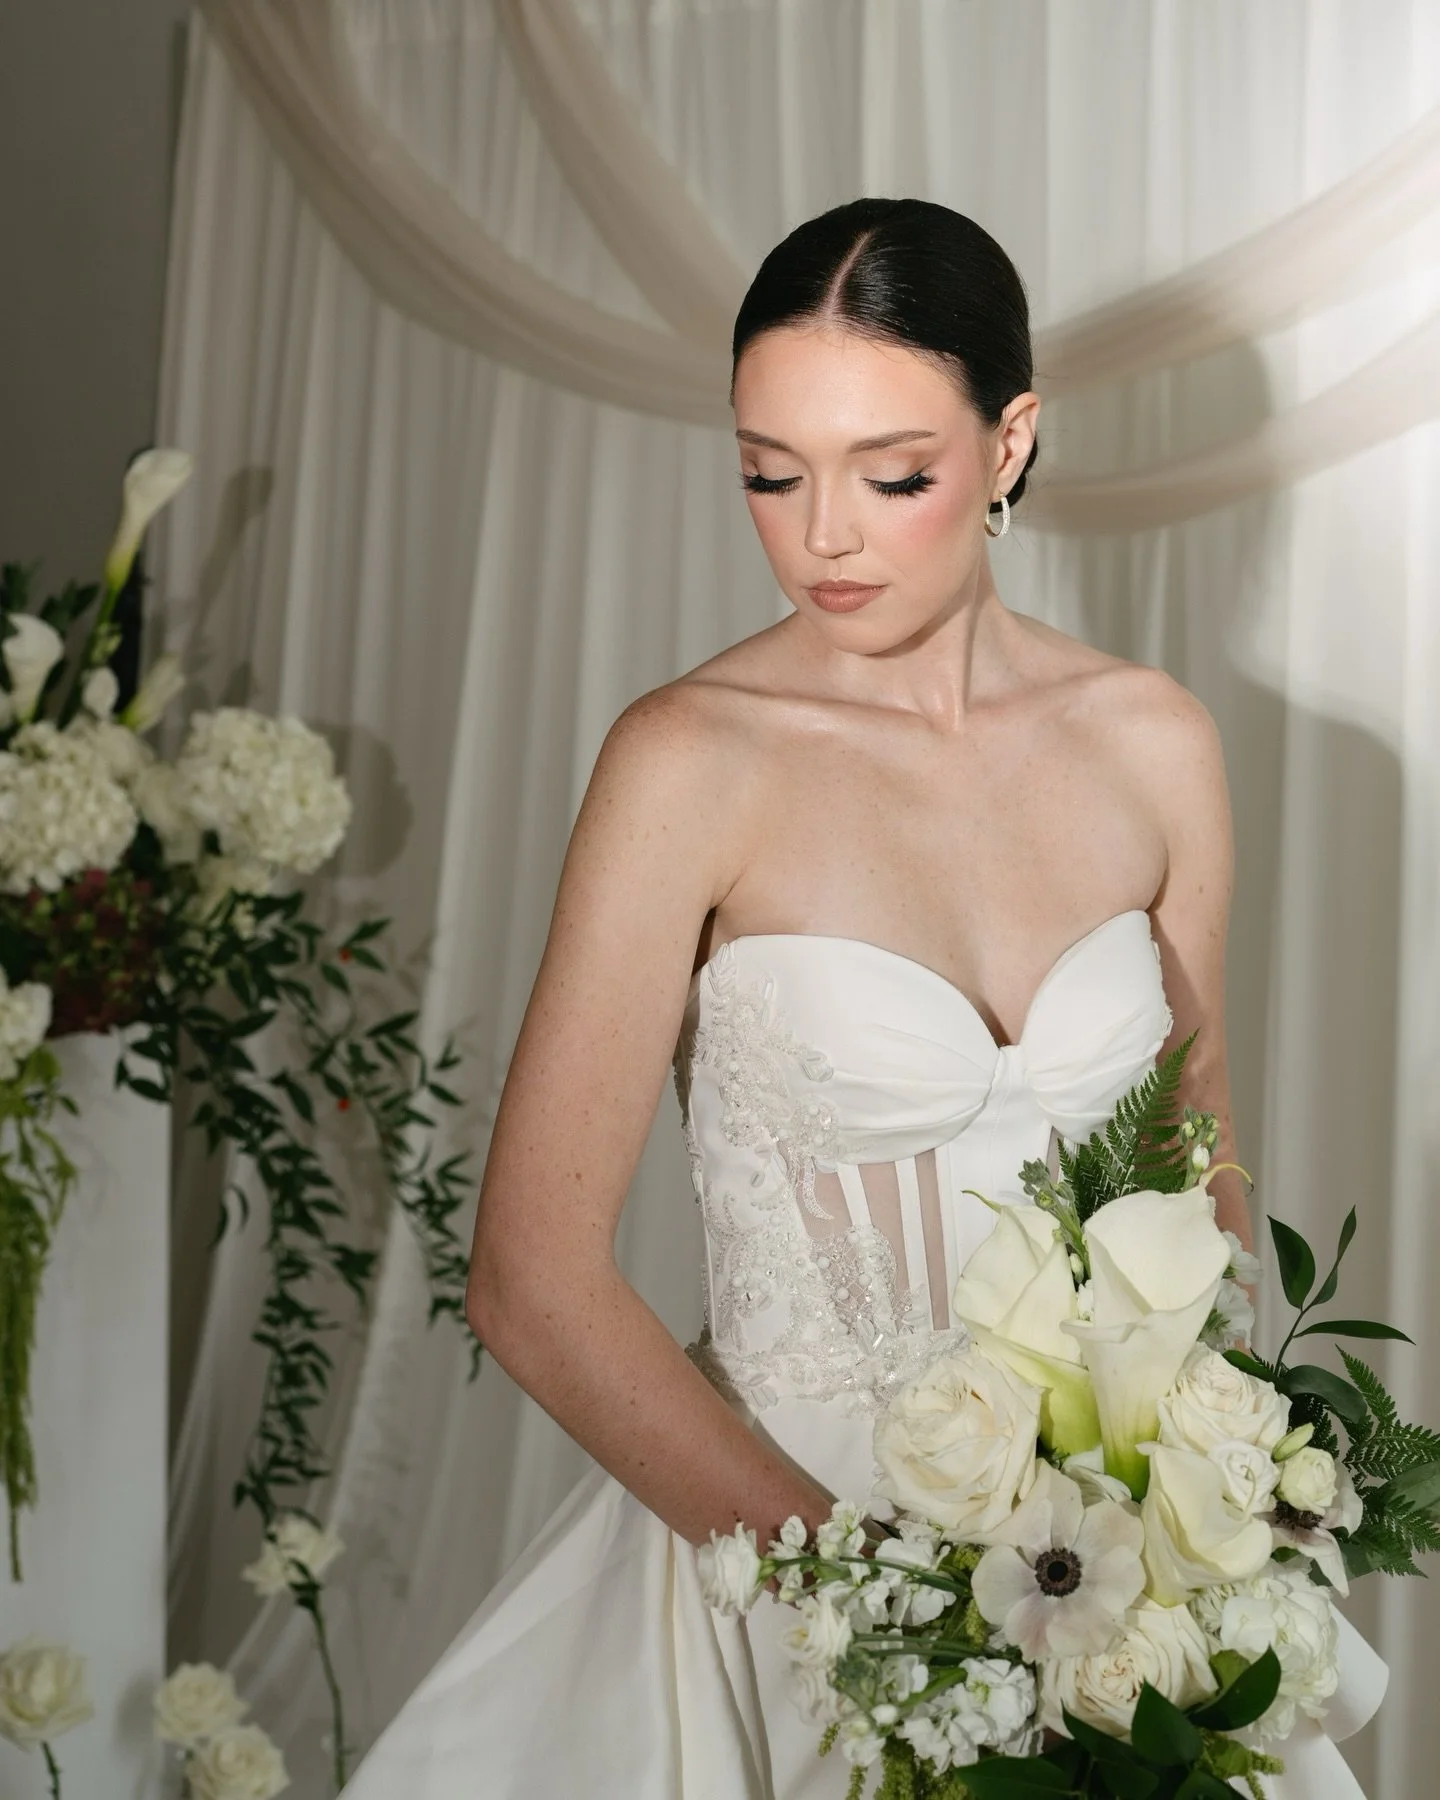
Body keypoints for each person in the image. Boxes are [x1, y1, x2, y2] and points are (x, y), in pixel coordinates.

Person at [342, 199, 1381, 1798]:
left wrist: (1206, 1503)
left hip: (1109, 1582)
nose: (822, 533)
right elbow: (531, 1285)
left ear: (1010, 440)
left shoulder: (1154, 740)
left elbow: (1200, 1150)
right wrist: (874, 1601)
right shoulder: (686, 765)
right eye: (771, 472)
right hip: (783, 1562)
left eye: (891, 476)